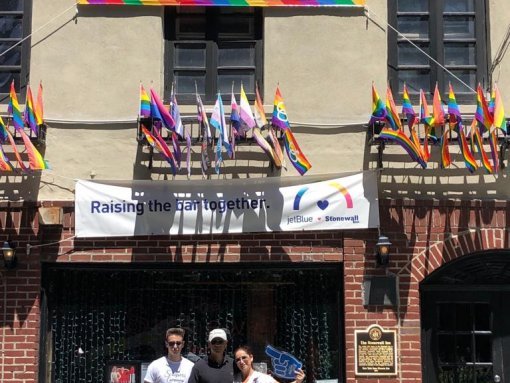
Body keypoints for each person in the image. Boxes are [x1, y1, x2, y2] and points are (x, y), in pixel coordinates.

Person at [234, 346, 305, 383]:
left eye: (244, 358)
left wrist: (297, 381)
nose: (241, 362)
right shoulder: (234, 379)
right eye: (238, 359)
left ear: (251, 357)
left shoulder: (260, 378)